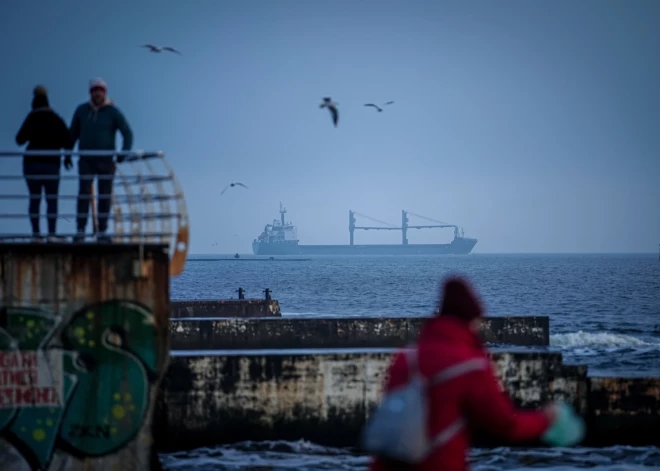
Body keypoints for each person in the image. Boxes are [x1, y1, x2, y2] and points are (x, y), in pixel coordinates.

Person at [368, 276, 569, 471]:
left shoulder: (405, 358)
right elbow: (505, 424)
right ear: (471, 319)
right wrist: (547, 419)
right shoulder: (470, 365)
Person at [69, 77, 133, 242]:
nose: (97, 93)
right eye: (94, 90)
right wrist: (67, 153)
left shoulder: (112, 112)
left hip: (106, 161)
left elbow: (127, 133)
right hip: (86, 160)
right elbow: (72, 134)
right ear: (90, 93)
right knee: (83, 194)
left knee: (105, 195)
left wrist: (123, 153)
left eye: (100, 90)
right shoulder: (82, 111)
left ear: (104, 92)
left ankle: (102, 231)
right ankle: (80, 229)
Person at [15, 85, 73, 241]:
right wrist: (67, 157)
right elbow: (68, 139)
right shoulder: (56, 119)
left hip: (32, 164)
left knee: (35, 199)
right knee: (51, 200)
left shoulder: (31, 118)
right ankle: (52, 234)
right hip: (51, 165)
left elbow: (19, 140)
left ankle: (36, 234)